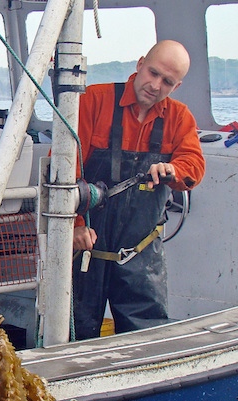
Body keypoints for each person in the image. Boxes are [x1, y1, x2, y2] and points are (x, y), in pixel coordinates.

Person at [72, 40, 205, 340]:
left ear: (177, 85)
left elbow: (194, 164)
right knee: (73, 332)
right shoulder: (93, 100)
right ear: (140, 63)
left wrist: (174, 170)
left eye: (167, 81)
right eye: (153, 73)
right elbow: (66, 169)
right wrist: (75, 227)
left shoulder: (180, 118)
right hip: (85, 250)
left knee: (148, 339)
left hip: (141, 255)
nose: (156, 85)